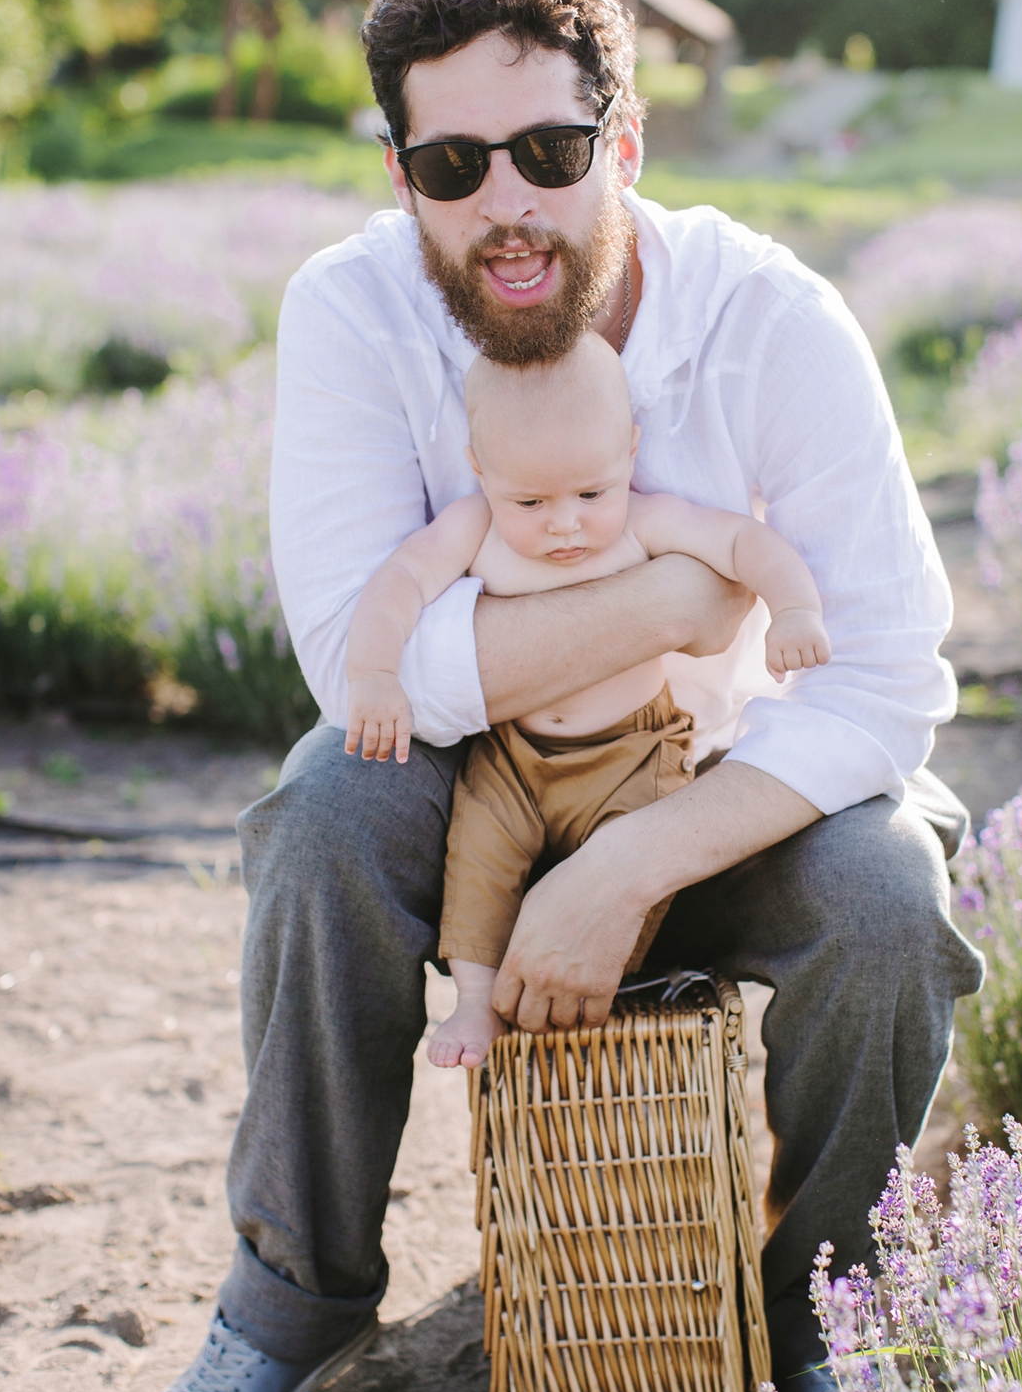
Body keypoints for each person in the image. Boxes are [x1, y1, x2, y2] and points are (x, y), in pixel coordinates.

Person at [120, 0, 983, 1392]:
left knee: (887, 899)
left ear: (625, 147)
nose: (504, 202)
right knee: (320, 812)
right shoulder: (355, 313)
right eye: (451, 162)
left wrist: (628, 870)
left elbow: (888, 670)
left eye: (549, 149)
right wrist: (664, 600)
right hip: (486, 798)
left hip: (736, 784)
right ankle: (288, 1304)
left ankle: (822, 1326)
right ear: (401, 176)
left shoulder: (771, 319)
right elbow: (359, 665)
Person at [344, 333, 831, 1069]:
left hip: (632, 751)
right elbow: (400, 582)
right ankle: (476, 1000)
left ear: (629, 453)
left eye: (589, 494)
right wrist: (375, 675)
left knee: (632, 875)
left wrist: (795, 609)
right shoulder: (475, 525)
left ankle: (620, 989)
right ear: (481, 470)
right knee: (477, 857)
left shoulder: (642, 519)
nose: (564, 523)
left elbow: (743, 544)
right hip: (513, 755)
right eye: (530, 500)